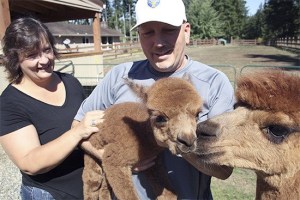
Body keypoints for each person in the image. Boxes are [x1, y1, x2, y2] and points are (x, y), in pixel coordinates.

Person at [74, 0, 235, 199]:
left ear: (186, 31)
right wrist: (113, 158)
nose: (158, 42)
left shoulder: (213, 83)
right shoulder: (120, 76)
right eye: (148, 32)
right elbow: (77, 128)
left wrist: (181, 143)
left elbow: (224, 169)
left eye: (168, 30)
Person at [0, 17, 103, 199]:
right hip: (48, 194)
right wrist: (76, 132)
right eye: (32, 55)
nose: (44, 60)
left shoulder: (70, 82)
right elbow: (29, 163)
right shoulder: (10, 104)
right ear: (15, 59)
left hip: (87, 188)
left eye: (47, 50)